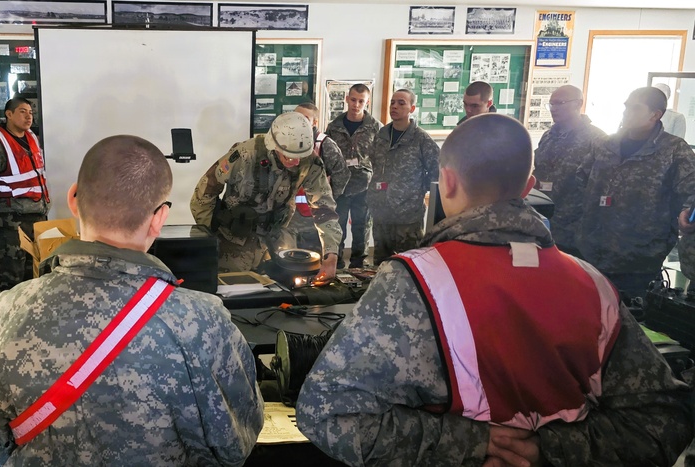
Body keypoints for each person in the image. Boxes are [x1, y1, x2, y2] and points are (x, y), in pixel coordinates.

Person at [297, 113, 695, 466]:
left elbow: (329, 413)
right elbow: (662, 420)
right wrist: (547, 450)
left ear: (447, 182)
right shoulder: (593, 285)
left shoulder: (412, 281)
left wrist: (474, 444)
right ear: (529, 186)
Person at [0, 135, 264, 465]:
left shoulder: (3, 312)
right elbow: (236, 443)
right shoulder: (203, 322)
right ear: (159, 218)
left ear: (74, 199)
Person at [191, 112, 341, 283]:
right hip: (233, 245)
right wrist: (210, 236)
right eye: (290, 157)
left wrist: (331, 253)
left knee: (284, 296)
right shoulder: (245, 154)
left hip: (278, 243)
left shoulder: (310, 162)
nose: (296, 163)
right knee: (232, 294)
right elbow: (204, 193)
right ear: (275, 146)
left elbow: (324, 209)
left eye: (301, 157)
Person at [577, 86, 695, 299]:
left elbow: (691, 191)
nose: (626, 112)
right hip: (593, 250)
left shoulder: (674, 151)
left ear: (655, 114)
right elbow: (581, 180)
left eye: (634, 108)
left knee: (629, 321)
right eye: (626, 107)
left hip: (639, 257)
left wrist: (687, 212)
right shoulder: (606, 143)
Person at [0, 96, 49, 290]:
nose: (28, 117)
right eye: (22, 112)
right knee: (13, 274)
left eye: (31, 112)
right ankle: (8, 315)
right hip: (12, 220)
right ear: (8, 114)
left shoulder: (31, 138)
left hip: (36, 215)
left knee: (34, 271)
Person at [368, 88, 439, 264]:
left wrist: (418, 190)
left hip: (407, 214)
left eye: (401, 103)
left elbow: (437, 169)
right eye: (393, 102)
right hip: (381, 210)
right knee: (380, 263)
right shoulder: (382, 135)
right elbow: (374, 162)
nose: (395, 106)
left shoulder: (420, 139)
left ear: (412, 109)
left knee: (409, 264)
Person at [533, 85, 606, 256]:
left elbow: (601, 187)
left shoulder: (597, 140)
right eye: (551, 104)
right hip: (544, 223)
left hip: (575, 231)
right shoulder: (549, 136)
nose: (554, 109)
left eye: (560, 103)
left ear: (578, 103)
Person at [326, 83, 381, 268]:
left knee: (362, 227)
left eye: (361, 101)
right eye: (353, 100)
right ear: (347, 99)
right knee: (337, 227)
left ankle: (359, 266)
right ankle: (337, 264)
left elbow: (381, 158)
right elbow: (326, 156)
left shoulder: (375, 127)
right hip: (340, 186)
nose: (356, 105)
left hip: (365, 186)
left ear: (367, 102)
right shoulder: (334, 127)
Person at [286, 101, 349, 253]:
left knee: (314, 259)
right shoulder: (285, 141)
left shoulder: (325, 144)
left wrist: (328, 196)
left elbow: (342, 173)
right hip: (290, 216)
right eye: (296, 117)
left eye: (305, 118)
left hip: (314, 216)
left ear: (314, 122)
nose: (299, 121)